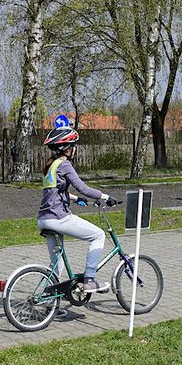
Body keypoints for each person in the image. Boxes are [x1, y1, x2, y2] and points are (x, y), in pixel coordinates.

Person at [38, 125, 117, 294]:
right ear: (67, 148)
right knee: (98, 235)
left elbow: (54, 192)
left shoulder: (50, 166)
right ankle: (90, 279)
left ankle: (49, 303)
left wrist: (75, 199)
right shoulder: (64, 165)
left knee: (56, 264)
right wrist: (105, 197)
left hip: (44, 218)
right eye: (73, 146)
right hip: (58, 217)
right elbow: (82, 187)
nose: (74, 149)